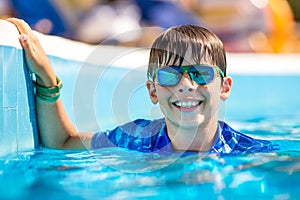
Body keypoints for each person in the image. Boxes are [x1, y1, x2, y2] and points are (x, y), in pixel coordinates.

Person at [6, 18, 275, 155]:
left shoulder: (251, 153)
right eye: (170, 75)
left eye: (201, 74)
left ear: (224, 87)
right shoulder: (137, 139)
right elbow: (62, 142)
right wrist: (47, 79)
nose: (185, 85)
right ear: (152, 91)